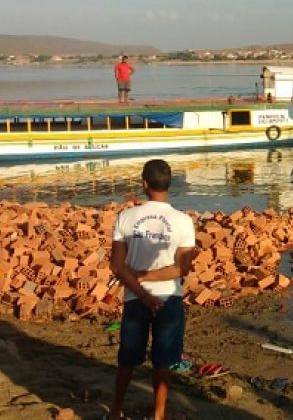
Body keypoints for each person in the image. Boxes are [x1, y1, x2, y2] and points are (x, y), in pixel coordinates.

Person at [109, 159, 196, 420]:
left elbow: (117, 266)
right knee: (162, 361)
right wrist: (152, 282)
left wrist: (143, 290)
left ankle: (115, 412)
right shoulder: (183, 221)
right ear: (169, 184)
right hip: (168, 299)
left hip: (135, 299)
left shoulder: (125, 217)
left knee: (127, 358)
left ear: (144, 184)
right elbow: (182, 269)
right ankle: (158, 416)